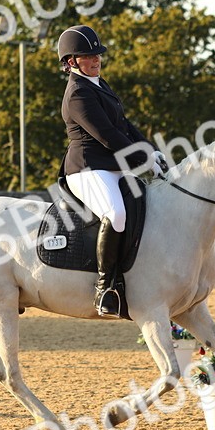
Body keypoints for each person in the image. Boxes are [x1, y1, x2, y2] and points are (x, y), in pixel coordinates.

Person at [57, 24, 164, 317]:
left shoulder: (99, 84)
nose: (95, 60)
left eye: (97, 55)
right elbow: (107, 136)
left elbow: (124, 126)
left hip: (113, 166)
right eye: (87, 56)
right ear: (71, 62)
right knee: (115, 213)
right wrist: (143, 160)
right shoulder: (77, 94)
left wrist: (151, 150)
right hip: (87, 168)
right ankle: (104, 288)